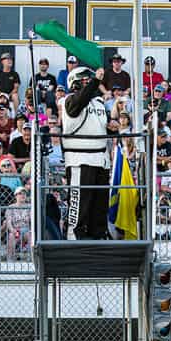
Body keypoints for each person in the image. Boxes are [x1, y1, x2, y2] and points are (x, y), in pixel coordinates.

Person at [59, 67, 113, 240]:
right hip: (80, 159)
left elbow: (99, 126)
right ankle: (74, 237)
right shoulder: (68, 100)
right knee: (80, 203)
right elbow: (78, 104)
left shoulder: (99, 103)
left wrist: (111, 127)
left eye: (90, 80)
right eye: (86, 80)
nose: (89, 83)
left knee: (99, 204)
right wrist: (96, 81)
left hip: (101, 160)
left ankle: (99, 236)